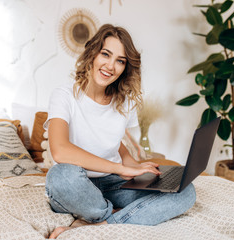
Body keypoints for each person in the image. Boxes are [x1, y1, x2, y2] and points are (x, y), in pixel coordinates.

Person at [44, 24, 196, 239]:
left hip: (113, 183)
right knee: (61, 176)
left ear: (126, 67)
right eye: (105, 54)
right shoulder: (63, 95)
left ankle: (102, 223)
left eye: (120, 61)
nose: (110, 66)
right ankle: (116, 213)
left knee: (185, 191)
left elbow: (116, 142)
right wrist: (120, 168)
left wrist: (134, 165)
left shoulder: (124, 102)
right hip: (77, 186)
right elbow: (60, 150)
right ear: (92, 54)